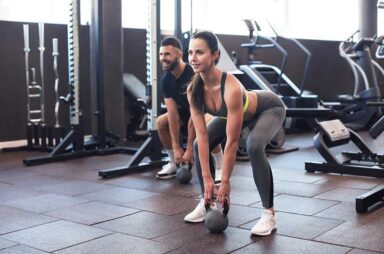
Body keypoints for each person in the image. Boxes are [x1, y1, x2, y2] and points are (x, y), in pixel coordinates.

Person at [184, 31, 286, 236]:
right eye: (190, 52)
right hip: (233, 115)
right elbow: (202, 137)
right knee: (197, 145)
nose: (193, 58)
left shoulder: (230, 86)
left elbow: (231, 142)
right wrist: (208, 181)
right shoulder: (193, 90)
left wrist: (226, 182)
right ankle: (206, 202)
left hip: (269, 108)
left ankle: (269, 214)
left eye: (200, 52)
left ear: (215, 55)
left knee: (254, 146)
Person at [156, 36, 223, 183]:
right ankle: (174, 162)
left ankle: (220, 166)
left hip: (207, 113)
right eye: (161, 54)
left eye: (167, 54)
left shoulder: (193, 74)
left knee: (206, 123)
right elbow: (173, 114)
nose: (163, 58)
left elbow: (196, 113)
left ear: (179, 55)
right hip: (185, 116)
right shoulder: (166, 80)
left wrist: (190, 150)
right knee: (161, 121)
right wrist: (177, 147)